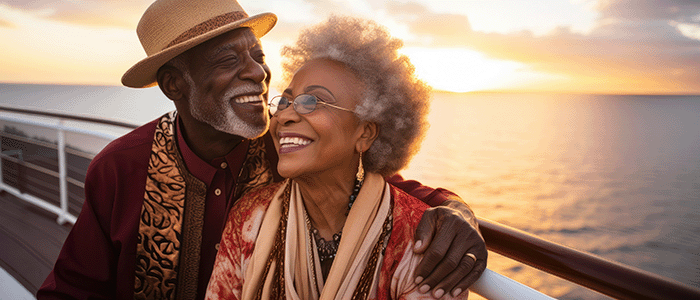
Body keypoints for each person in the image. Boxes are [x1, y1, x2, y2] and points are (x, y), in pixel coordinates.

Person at [37, 0, 486, 299]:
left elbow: (377, 185)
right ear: (175, 84)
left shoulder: (288, 152)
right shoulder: (121, 168)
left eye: (258, 56)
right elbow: (74, 290)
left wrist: (458, 212)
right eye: (229, 60)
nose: (258, 73)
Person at [205, 16, 474, 299]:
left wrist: (457, 208)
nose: (284, 115)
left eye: (312, 101)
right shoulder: (247, 218)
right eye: (283, 101)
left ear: (365, 134)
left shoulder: (418, 243)